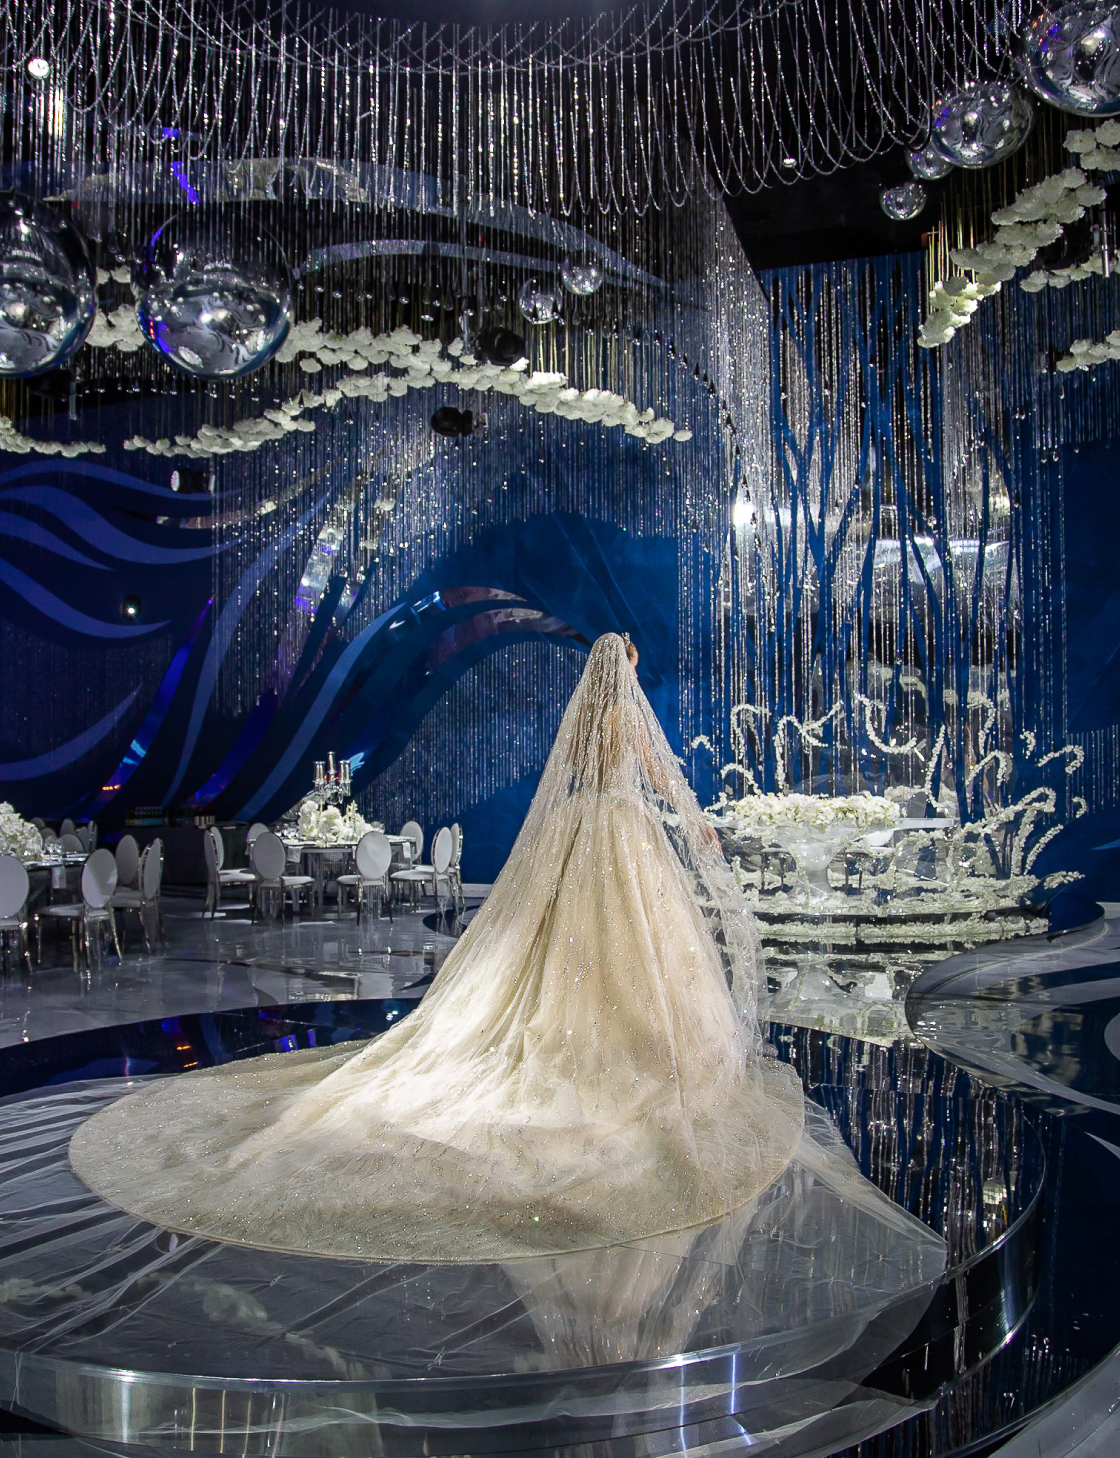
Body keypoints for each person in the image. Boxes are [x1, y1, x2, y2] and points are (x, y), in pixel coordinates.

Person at [67, 637, 877, 1269]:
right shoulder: (627, 716)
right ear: (623, 668)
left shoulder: (584, 719)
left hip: (580, 829)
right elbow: (659, 778)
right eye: (631, 666)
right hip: (624, 831)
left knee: (564, 948)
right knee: (631, 945)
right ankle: (636, 1046)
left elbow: (573, 779)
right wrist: (694, 824)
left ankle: (597, 1028)